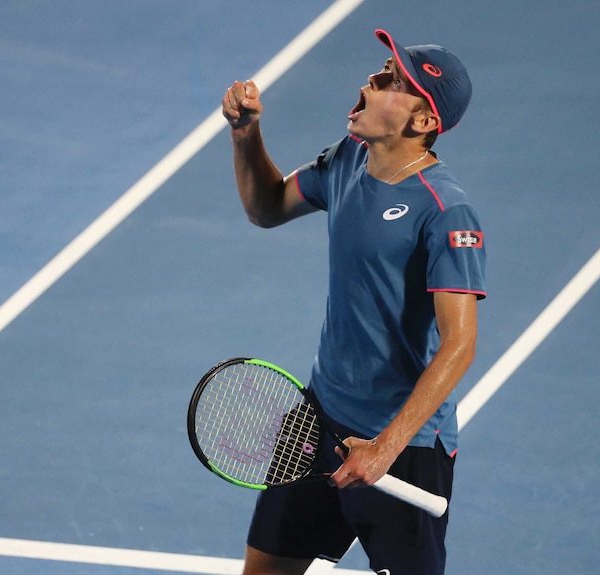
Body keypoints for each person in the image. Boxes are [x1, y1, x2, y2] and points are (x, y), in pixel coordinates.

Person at [221, 29, 487, 575]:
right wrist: (247, 133)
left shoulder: (445, 211)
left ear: (422, 122)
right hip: (320, 416)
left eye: (393, 80)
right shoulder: (348, 159)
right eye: (381, 69)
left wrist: (385, 447)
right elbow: (267, 207)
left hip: (401, 444)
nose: (373, 78)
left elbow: (459, 345)